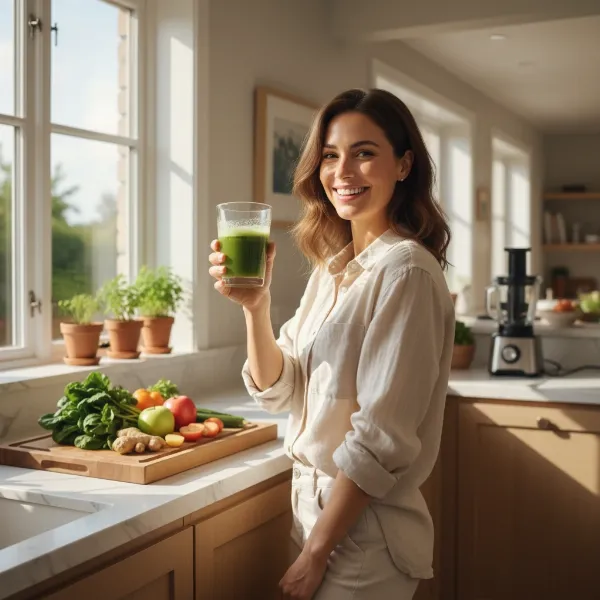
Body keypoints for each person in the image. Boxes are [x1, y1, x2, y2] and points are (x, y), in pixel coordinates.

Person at [208, 88, 455, 600]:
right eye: (330, 155)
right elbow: (280, 390)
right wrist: (256, 307)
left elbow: (380, 439)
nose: (343, 171)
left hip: (362, 535)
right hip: (314, 517)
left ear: (404, 164)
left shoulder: (406, 271)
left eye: (364, 153)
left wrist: (317, 553)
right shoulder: (334, 268)